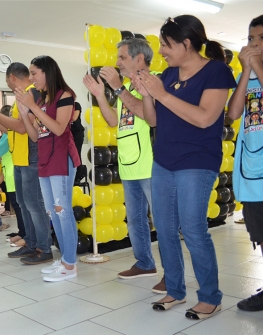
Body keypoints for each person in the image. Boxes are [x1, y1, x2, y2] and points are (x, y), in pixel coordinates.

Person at [134, 15, 236, 319]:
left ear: (186, 43)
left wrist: (162, 94)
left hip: (197, 161)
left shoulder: (217, 71)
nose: (162, 51)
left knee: (193, 230)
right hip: (163, 160)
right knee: (164, 229)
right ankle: (176, 290)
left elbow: (205, 117)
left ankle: (210, 297)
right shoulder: (167, 74)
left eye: (166, 44)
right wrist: (147, 93)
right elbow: (153, 119)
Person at [83, 38, 163, 292]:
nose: (117, 63)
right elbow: (114, 121)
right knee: (135, 220)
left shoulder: (155, 81)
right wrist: (100, 95)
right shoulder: (126, 86)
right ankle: (144, 263)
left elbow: (147, 115)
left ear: (140, 59)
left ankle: (171, 273)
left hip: (151, 164)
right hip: (129, 164)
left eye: (122, 57)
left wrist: (118, 89)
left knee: (162, 221)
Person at [0, 62, 53, 265]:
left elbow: (22, 128)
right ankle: (30, 243)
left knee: (35, 205)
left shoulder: (33, 93)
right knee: (24, 205)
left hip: (32, 157)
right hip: (20, 159)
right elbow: (11, 129)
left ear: (12, 77)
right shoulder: (19, 98)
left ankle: (44, 248)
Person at [16, 56, 80, 281]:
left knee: (63, 212)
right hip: (45, 159)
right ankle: (64, 259)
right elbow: (36, 135)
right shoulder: (43, 100)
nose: (31, 78)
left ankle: (70, 265)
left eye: (34, 73)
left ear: (47, 72)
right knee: (53, 212)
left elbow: (60, 129)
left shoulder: (65, 95)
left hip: (62, 159)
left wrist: (33, 107)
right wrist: (26, 114)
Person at [228, 14, 263, 312]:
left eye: (261, 38)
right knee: (261, 234)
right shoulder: (250, 74)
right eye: (251, 38)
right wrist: (245, 72)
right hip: (252, 170)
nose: (254, 44)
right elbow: (234, 112)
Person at [0, 105, 27, 247]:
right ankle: (22, 232)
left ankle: (24, 234)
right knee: (17, 206)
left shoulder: (8, 135)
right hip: (10, 173)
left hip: (14, 173)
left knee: (19, 206)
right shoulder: (6, 135)